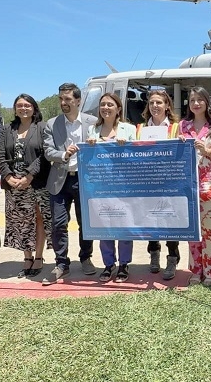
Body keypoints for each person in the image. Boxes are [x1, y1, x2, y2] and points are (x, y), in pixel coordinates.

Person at [41, 83, 98, 285]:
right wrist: (64, 154)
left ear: (78, 101)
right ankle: (61, 263)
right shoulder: (51, 124)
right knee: (58, 224)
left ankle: (86, 257)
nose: (63, 103)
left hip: (85, 181)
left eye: (67, 99)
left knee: (86, 224)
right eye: (61, 99)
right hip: (59, 181)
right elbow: (48, 151)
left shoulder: (93, 122)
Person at [0, 94, 52, 278]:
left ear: (34, 108)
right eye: (19, 105)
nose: (23, 108)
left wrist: (29, 175)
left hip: (35, 181)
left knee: (38, 219)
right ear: (15, 109)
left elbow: (44, 155)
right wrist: (8, 176)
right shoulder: (7, 130)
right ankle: (26, 257)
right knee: (21, 221)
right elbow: (0, 156)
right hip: (14, 184)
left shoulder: (42, 128)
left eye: (27, 105)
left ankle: (38, 257)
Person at [180, 87, 211, 286]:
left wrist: (205, 149)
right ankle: (196, 270)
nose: (196, 103)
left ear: (207, 102)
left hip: (210, 185)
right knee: (193, 232)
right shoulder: (182, 125)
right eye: (192, 100)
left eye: (200, 99)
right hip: (187, 186)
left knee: (210, 231)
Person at [88, 92, 137, 283]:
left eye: (110, 105)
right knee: (105, 226)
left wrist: (128, 146)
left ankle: (124, 264)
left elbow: (137, 155)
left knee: (124, 226)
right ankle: (109, 264)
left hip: (124, 185)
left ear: (118, 109)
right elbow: (88, 159)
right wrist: (89, 146)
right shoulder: (93, 130)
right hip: (101, 186)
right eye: (103, 105)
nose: (106, 108)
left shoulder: (129, 129)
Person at [135, 89, 182, 280]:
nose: (155, 106)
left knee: (170, 222)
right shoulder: (139, 129)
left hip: (169, 183)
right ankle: (154, 253)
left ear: (167, 106)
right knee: (150, 222)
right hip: (147, 183)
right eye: (152, 102)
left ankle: (172, 257)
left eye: (159, 103)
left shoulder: (176, 128)